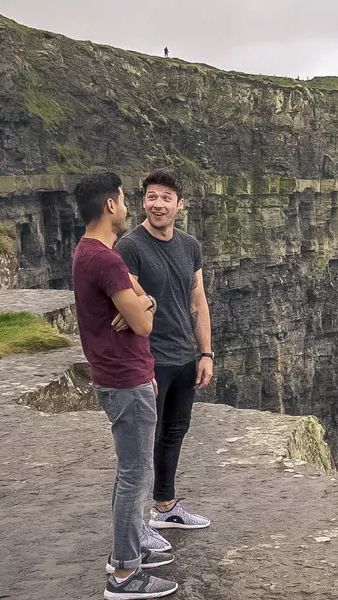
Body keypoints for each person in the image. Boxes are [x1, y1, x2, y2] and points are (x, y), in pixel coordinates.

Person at [71, 172, 178, 599]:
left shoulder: (89, 252)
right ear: (111, 205)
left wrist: (143, 300)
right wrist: (144, 306)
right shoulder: (107, 260)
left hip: (117, 374)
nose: (129, 206)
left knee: (130, 470)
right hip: (125, 377)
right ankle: (124, 574)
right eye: (124, 199)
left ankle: (129, 549)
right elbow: (145, 322)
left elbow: (141, 298)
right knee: (135, 473)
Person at [115, 169, 214, 532]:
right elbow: (130, 310)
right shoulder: (130, 247)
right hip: (151, 361)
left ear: (179, 205)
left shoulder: (190, 246)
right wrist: (141, 366)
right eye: (152, 197)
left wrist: (205, 353)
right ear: (143, 201)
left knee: (175, 430)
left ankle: (165, 506)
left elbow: (198, 301)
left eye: (166, 198)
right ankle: (136, 526)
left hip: (183, 356)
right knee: (144, 443)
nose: (158, 204)